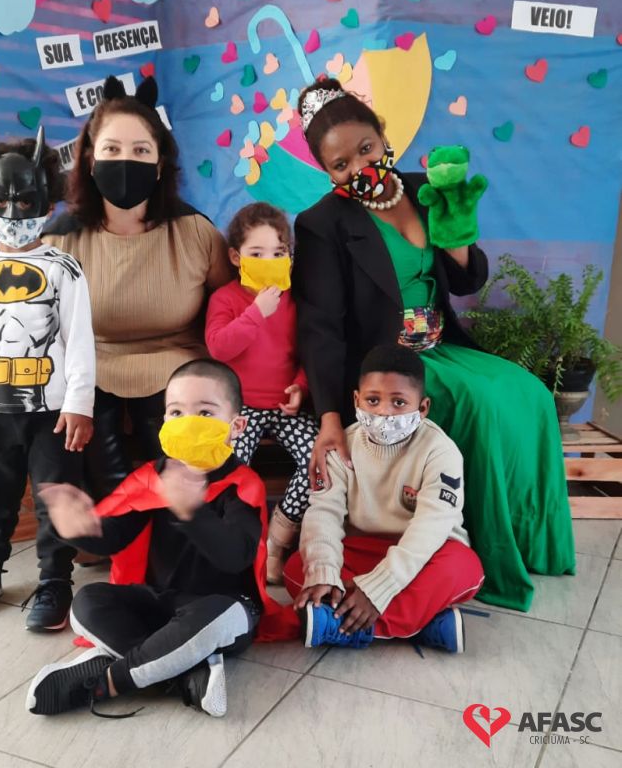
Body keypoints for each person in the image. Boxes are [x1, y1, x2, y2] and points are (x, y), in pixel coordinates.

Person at [291, 77, 575, 612]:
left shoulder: (424, 191)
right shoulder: (321, 224)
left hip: (442, 345)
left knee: (532, 393)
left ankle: (533, 540)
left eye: (366, 149)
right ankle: (486, 553)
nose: (359, 167)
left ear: (383, 137)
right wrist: (329, 417)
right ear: (326, 171)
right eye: (341, 164)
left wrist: (458, 236)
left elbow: (467, 281)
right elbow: (320, 326)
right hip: (387, 362)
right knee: (480, 405)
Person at [25, 358, 297, 720]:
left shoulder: (243, 485)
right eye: (177, 412)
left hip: (219, 608)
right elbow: (113, 539)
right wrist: (78, 526)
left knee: (226, 615)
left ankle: (107, 681)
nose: (188, 423)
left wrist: (192, 512)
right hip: (159, 605)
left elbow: (235, 556)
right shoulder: (151, 477)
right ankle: (185, 675)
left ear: (236, 426)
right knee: (87, 601)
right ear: (164, 420)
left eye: (205, 412)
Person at [28, 75, 230, 499]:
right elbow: (32, 324)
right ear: (90, 159)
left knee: (181, 465)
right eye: (112, 149)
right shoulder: (58, 241)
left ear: (159, 164)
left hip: (177, 367)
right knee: (102, 473)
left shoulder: (196, 233)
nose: (125, 161)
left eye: (140, 150)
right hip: (91, 369)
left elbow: (231, 306)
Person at [0, 123, 95, 630]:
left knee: (56, 494)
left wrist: (79, 404)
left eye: (25, 200)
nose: (12, 213)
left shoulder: (64, 269)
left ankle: (55, 580)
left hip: (52, 412)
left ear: (47, 199)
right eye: (2, 200)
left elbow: (79, 340)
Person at [287, 344, 484, 652]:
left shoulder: (441, 452)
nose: (383, 412)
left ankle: (348, 625)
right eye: (373, 400)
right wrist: (324, 569)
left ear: (423, 408)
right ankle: (423, 622)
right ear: (357, 400)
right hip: (365, 549)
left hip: (425, 555)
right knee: (300, 566)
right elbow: (324, 512)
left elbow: (430, 529)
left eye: (399, 402)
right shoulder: (342, 446)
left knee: (464, 567)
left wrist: (377, 590)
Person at [205, 202, 317, 583]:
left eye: (278, 252)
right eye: (257, 253)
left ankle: (278, 539)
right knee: (230, 467)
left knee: (321, 461)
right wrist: (256, 311)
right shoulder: (225, 299)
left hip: (285, 408)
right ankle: (242, 544)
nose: (269, 260)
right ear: (236, 257)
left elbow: (308, 352)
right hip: (242, 409)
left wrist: (300, 386)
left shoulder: (296, 300)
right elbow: (219, 347)